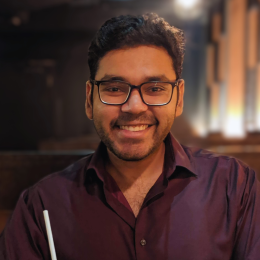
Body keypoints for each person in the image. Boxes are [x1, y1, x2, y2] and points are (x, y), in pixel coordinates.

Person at [0, 13, 260, 260]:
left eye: (155, 88)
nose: (134, 106)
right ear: (89, 100)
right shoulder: (41, 206)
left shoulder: (235, 188)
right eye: (114, 88)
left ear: (178, 98)